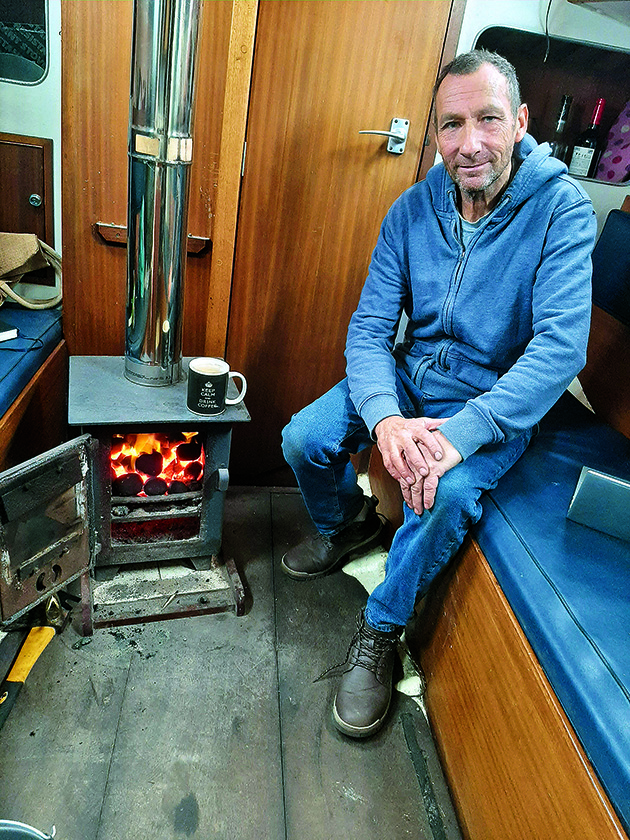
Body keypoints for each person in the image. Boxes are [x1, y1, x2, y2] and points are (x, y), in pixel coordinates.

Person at [281, 49, 597, 739]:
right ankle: (346, 527)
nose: (469, 143)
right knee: (303, 438)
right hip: (409, 377)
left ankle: (381, 627)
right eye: (452, 125)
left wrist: (460, 433)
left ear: (519, 123)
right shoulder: (410, 209)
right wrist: (387, 420)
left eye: (487, 119)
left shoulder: (562, 212)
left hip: (489, 401)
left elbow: (559, 350)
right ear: (436, 136)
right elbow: (368, 329)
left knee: (446, 493)